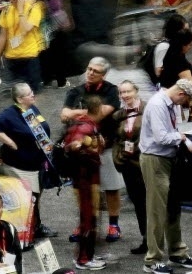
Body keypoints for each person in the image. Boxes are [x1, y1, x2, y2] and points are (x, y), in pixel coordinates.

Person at [139, 78, 192, 273]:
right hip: (155, 160)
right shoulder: (158, 105)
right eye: (185, 101)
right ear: (181, 94)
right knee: (157, 210)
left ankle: (177, 252)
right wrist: (182, 137)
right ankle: (152, 260)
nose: (184, 105)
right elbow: (162, 137)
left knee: (173, 208)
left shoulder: (169, 104)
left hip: (168, 159)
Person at [62, 58, 123, 244]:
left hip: (106, 145)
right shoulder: (76, 91)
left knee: (111, 187)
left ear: (103, 74)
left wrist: (75, 113)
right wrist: (84, 112)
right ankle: (85, 224)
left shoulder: (111, 90)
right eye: (89, 69)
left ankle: (113, 224)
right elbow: (63, 116)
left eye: (95, 71)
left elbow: (99, 115)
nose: (90, 73)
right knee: (83, 189)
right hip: (81, 150)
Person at [0, 82, 55, 241]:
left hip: (38, 162)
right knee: (29, 199)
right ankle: (27, 232)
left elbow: (40, 131)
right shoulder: (9, 114)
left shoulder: (31, 109)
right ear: (19, 99)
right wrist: (10, 142)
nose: (33, 95)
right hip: (21, 165)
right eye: (29, 94)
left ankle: (36, 226)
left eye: (31, 92)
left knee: (35, 197)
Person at [63, 95, 107, 270]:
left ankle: (89, 254)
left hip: (87, 179)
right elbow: (73, 148)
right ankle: (84, 259)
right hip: (85, 181)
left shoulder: (87, 124)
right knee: (88, 218)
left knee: (91, 217)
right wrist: (87, 148)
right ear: (99, 109)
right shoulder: (85, 127)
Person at [113, 80, 148, 255]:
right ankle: (146, 239)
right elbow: (116, 139)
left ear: (136, 91)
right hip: (128, 165)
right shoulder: (118, 115)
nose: (125, 95)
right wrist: (118, 158)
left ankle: (156, 239)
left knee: (151, 203)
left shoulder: (148, 109)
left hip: (146, 163)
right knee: (138, 203)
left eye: (128, 91)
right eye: (122, 92)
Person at [0, 0, 45, 92]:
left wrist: (21, 10)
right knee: (14, 93)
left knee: (31, 93)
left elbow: (26, 28)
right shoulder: (7, 10)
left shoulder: (33, 8)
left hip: (29, 57)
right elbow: (2, 35)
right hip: (11, 58)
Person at [28, 0, 71, 87]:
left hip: (42, 25)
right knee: (60, 53)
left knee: (44, 52)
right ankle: (61, 81)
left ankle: (46, 80)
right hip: (57, 23)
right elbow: (58, 5)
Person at [158, 29, 192, 97]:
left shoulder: (175, 52)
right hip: (181, 96)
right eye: (189, 45)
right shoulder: (178, 59)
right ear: (183, 45)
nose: (190, 47)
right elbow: (189, 84)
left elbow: (181, 73)